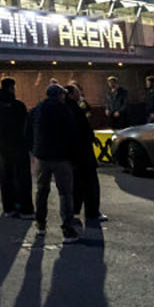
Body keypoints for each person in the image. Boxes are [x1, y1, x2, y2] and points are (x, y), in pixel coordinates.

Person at [32, 85, 81, 243]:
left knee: (42, 190)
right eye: (63, 94)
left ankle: (40, 223)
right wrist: (74, 156)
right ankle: (67, 228)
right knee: (65, 193)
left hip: (42, 156)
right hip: (61, 157)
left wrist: (34, 149)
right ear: (59, 95)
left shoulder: (37, 109)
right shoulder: (64, 110)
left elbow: (29, 130)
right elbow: (72, 134)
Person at [0, 79, 32, 217]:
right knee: (22, 178)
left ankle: (9, 208)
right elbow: (27, 126)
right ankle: (25, 208)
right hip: (19, 146)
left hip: (3, 146)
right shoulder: (18, 106)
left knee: (6, 178)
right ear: (12, 88)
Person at [66, 85, 105, 224]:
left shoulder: (65, 108)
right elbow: (84, 129)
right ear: (71, 94)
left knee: (76, 184)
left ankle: (75, 210)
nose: (80, 94)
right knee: (90, 183)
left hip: (72, 154)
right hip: (83, 152)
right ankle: (92, 211)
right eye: (77, 92)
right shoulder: (76, 109)